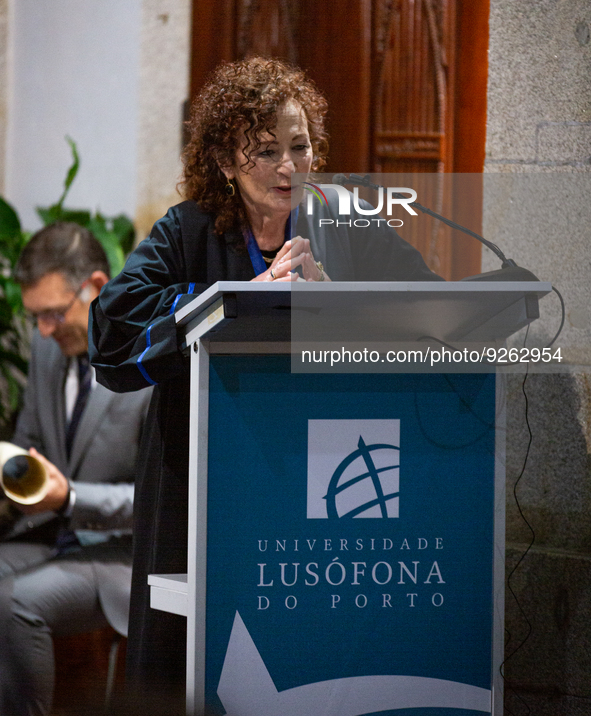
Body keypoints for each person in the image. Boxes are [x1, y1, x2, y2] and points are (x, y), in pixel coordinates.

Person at [89, 56, 441, 699]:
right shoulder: (188, 229)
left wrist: (341, 300)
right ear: (226, 162)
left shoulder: (348, 222)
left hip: (327, 473)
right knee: (193, 667)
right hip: (203, 478)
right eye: (266, 150)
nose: (289, 167)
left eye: (301, 146)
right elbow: (110, 329)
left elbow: (431, 309)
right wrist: (235, 295)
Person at [0, 222, 151, 716]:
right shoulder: (48, 349)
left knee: (16, 602)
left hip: (121, 554)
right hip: (50, 534)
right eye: (36, 317)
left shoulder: (150, 366)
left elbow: (157, 503)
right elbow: (28, 450)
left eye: (53, 314)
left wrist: (69, 498)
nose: (42, 330)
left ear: (98, 288)